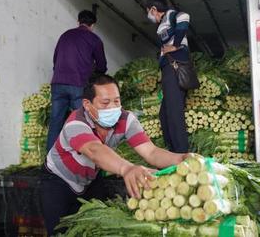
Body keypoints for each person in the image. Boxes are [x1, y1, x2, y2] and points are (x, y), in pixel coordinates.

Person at [40, 74, 192, 235]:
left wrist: (181, 158)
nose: (113, 108)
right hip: (58, 180)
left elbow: (151, 152)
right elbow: (95, 150)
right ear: (87, 104)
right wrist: (127, 168)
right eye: (105, 103)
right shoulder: (76, 123)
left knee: (96, 228)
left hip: (90, 178)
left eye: (117, 101)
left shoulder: (126, 119)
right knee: (61, 231)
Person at [47, 10, 108, 152]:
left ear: (78, 21)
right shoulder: (94, 39)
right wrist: (93, 77)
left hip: (58, 83)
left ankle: (49, 159)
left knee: (56, 122)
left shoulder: (64, 36)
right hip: (78, 84)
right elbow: (102, 66)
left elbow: (55, 61)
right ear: (93, 25)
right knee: (79, 124)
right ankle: (77, 159)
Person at [145, 0, 191, 153]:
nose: (149, 16)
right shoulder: (164, 22)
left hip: (174, 68)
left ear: (153, 9)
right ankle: (172, 151)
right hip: (169, 69)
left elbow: (185, 16)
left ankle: (181, 154)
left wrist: (175, 45)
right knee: (164, 114)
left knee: (174, 112)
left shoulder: (170, 15)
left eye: (148, 12)